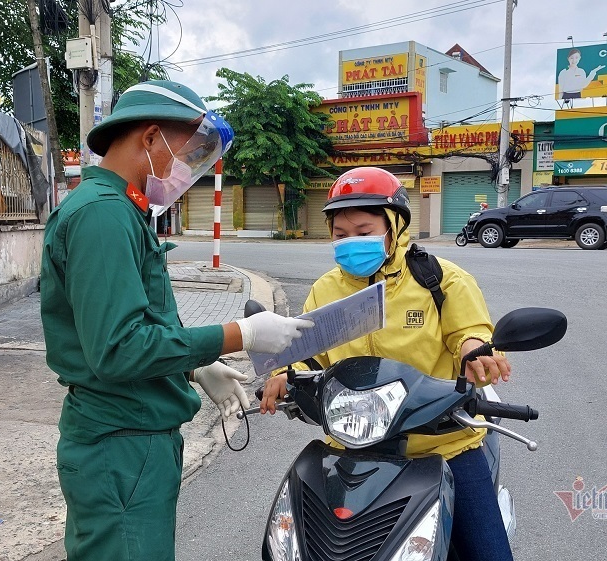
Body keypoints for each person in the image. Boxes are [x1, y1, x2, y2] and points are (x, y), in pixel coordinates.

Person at [39, 80, 313, 561]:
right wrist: (239, 334)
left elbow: (129, 325)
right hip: (120, 443)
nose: (186, 170)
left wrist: (192, 366)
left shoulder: (120, 209)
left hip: (131, 438)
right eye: (187, 154)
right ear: (149, 139)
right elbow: (118, 348)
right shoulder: (103, 215)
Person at [259, 167, 514, 561]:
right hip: (353, 444)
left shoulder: (440, 279)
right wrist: (282, 373)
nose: (350, 243)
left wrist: (475, 351)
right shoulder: (327, 289)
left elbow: (470, 331)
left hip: (443, 443)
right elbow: (308, 351)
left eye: (363, 232)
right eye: (341, 235)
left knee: (489, 553)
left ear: (394, 226)